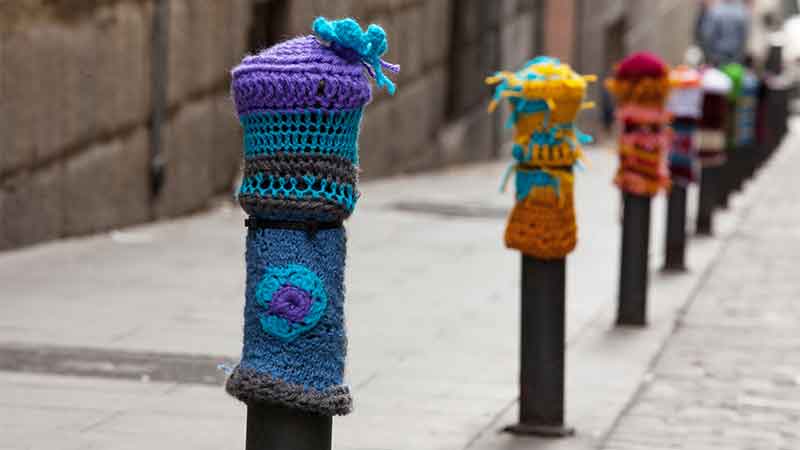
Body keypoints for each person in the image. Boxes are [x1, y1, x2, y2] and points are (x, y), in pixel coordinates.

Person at [700, 0, 750, 65]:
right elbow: (744, 36)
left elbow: (708, 34)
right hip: (735, 55)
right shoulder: (742, 11)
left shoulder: (715, 11)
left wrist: (708, 52)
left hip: (717, 54)